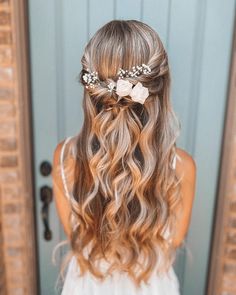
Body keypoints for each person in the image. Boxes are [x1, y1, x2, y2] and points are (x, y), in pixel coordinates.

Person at [52, 19, 197, 295]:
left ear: (91, 91)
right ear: (161, 88)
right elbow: (174, 240)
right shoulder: (182, 167)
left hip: (86, 285)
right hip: (152, 286)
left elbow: (75, 237)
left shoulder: (63, 158)